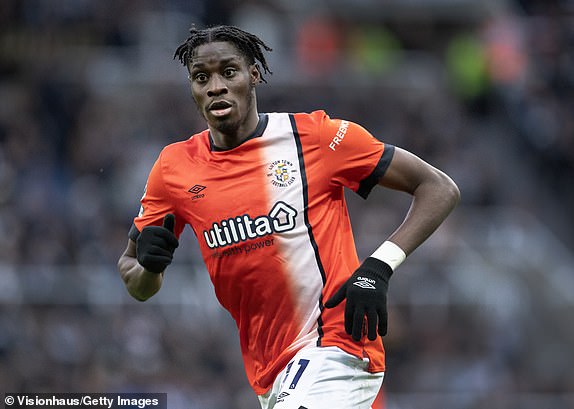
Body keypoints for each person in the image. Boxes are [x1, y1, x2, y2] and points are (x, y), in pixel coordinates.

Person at [118, 25, 460, 409]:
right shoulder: (174, 168)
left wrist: (379, 266)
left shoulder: (314, 137)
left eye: (228, 72)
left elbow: (438, 187)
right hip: (271, 372)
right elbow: (136, 280)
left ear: (253, 75)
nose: (215, 86)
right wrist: (147, 268)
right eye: (202, 77)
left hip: (336, 346)